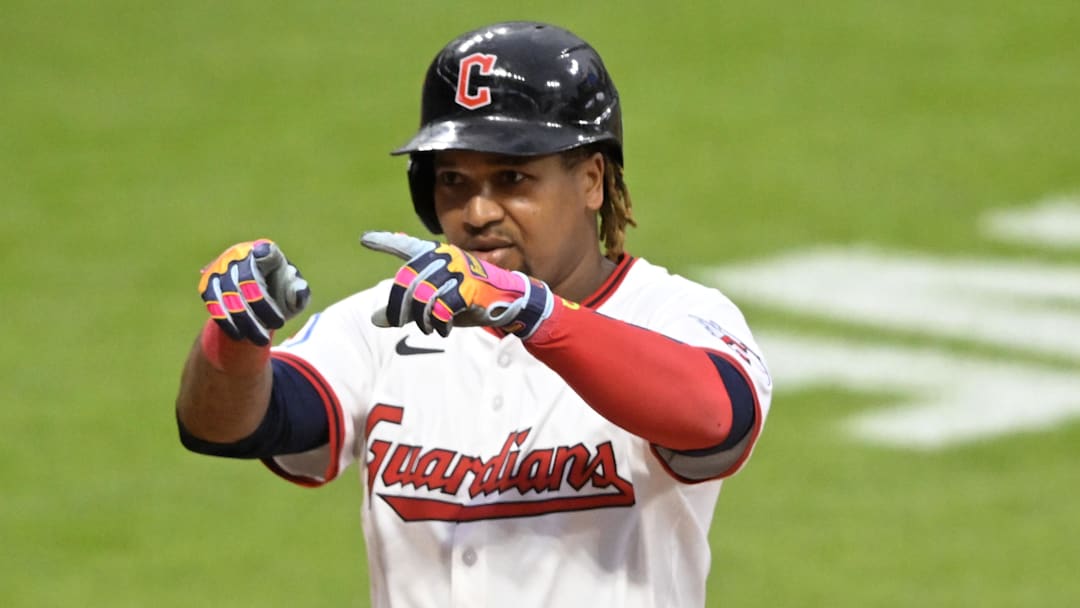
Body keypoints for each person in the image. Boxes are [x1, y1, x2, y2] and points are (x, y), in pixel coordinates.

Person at [176, 20, 773, 608]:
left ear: (592, 180)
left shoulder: (671, 312)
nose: (477, 211)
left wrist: (533, 314)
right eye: (454, 180)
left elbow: (717, 416)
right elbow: (230, 425)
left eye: (513, 179)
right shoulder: (383, 324)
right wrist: (235, 340)